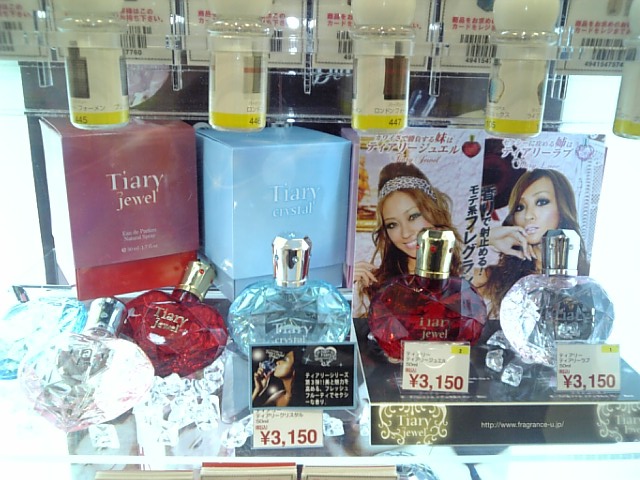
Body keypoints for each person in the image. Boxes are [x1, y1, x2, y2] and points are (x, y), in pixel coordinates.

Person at [473, 168, 589, 319]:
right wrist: (486, 237)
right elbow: (452, 268)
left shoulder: (586, 279)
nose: (528, 215)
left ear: (562, 209)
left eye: (541, 202)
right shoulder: (496, 278)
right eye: (520, 207)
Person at [353, 162, 463, 317]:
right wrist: (344, 289)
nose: (405, 233)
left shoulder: (471, 282)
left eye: (413, 217)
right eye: (392, 224)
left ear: (433, 212)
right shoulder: (371, 288)